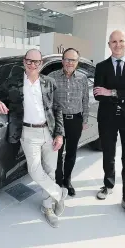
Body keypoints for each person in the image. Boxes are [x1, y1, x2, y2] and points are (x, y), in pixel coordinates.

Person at [0, 49, 68, 228]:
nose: (33, 65)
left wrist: (60, 134)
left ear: (41, 64)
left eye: (36, 62)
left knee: (50, 171)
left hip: (49, 131)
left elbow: (58, 109)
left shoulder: (49, 82)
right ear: (24, 62)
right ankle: (59, 194)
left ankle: (47, 207)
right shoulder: (14, 82)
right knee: (34, 170)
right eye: (29, 61)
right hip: (28, 133)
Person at [93, 30, 125, 221]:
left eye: (121, 41)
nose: (117, 44)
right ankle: (108, 185)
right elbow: (98, 94)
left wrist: (112, 92)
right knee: (108, 154)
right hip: (107, 119)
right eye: (114, 41)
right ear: (109, 45)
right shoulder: (101, 66)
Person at [48, 48, 89, 197]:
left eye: (73, 60)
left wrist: (84, 119)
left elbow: (85, 100)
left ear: (77, 62)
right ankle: (58, 182)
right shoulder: (52, 77)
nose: (69, 62)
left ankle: (67, 180)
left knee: (71, 153)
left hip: (75, 121)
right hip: (59, 122)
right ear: (62, 60)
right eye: (67, 59)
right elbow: (48, 102)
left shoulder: (82, 78)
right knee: (57, 153)